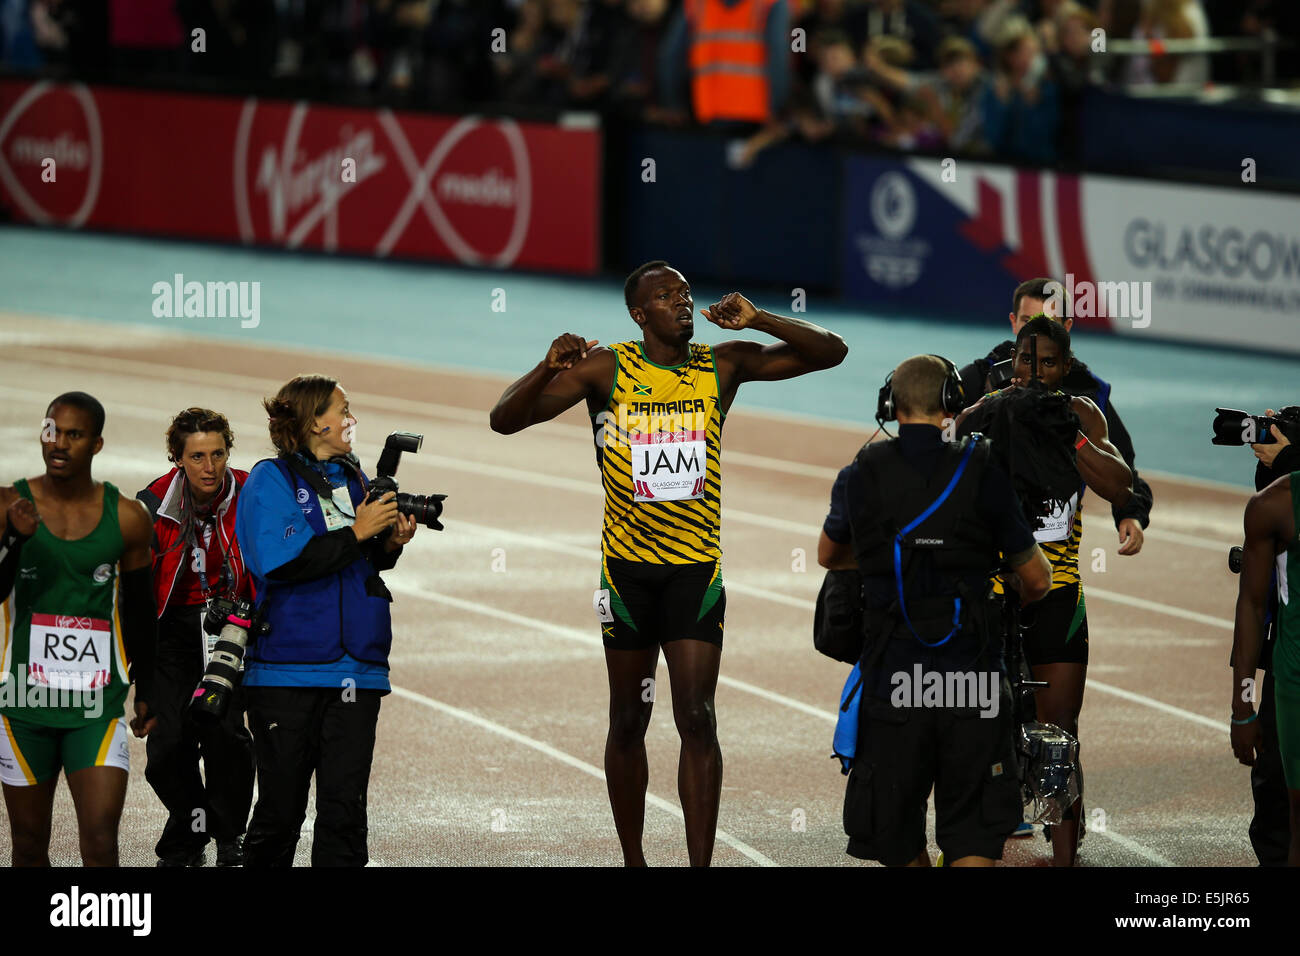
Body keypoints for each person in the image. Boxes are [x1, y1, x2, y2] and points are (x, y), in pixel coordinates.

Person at [489, 260, 847, 866]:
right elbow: (504, 420)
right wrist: (546, 367)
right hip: (626, 574)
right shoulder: (607, 369)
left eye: (684, 292)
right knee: (628, 719)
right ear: (639, 314)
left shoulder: (723, 365)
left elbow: (831, 352)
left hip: (694, 572)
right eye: (665, 296)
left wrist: (760, 317)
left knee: (697, 717)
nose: (681, 302)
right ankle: (635, 861)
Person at [818, 354, 1052, 867]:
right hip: (973, 681)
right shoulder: (984, 467)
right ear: (952, 404)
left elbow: (828, 556)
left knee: (895, 831)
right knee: (973, 832)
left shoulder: (861, 472)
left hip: (894, 681)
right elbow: (1037, 579)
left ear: (889, 405)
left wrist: (891, 562)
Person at [958, 317, 1133, 865]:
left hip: (1057, 597)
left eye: (1049, 363)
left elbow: (1118, 482)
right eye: (1026, 362)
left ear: (1066, 367)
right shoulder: (987, 410)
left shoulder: (1082, 413)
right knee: (977, 731)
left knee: (1058, 737)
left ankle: (1064, 855)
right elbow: (939, 462)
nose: (1035, 373)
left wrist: (1067, 432)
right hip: (992, 596)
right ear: (1012, 362)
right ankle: (970, 846)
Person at [235, 375, 418, 867]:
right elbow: (280, 560)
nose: (351, 419)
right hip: (286, 672)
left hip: (357, 670)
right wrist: (358, 532)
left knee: (344, 815)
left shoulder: (355, 478)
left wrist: (388, 545)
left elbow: (359, 561)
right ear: (316, 421)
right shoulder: (270, 480)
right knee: (280, 811)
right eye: (344, 409)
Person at [0, 391, 157, 866]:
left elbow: (140, 610)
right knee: (28, 846)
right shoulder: (8, 504)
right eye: (53, 430)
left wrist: (147, 683)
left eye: (74, 434)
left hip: (95, 706)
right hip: (24, 706)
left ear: (98, 443)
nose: (59, 444)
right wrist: (12, 540)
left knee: (101, 840)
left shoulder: (128, 517)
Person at [958, 277, 1153, 559]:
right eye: (1028, 322)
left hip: (1056, 554)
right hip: (984, 546)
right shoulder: (982, 378)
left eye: (1049, 323)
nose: (1038, 334)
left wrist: (1131, 514)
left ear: (1067, 327)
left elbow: (1123, 465)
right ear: (1014, 323)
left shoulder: (1088, 393)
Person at [136, 408, 255, 867]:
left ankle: (224, 841)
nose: (210, 467)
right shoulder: (152, 505)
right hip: (172, 632)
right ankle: (201, 822)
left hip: (231, 630)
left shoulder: (250, 491)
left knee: (225, 736)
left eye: (218, 454)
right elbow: (135, 593)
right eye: (197, 456)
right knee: (165, 750)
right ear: (177, 458)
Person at [1230, 461, 1300, 865]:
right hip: (1293, 682)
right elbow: (1253, 605)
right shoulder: (1274, 504)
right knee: (1293, 818)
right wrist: (1243, 707)